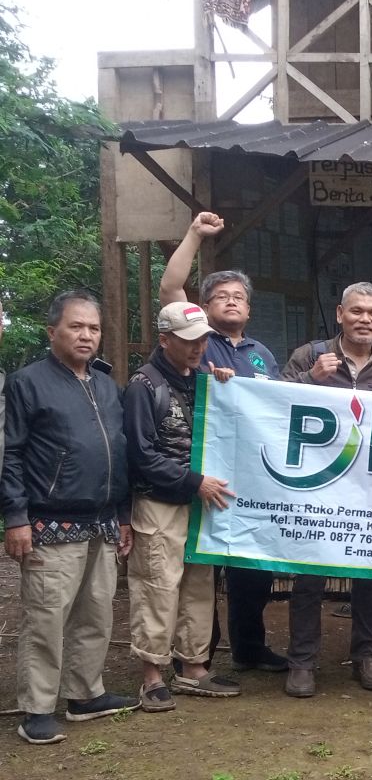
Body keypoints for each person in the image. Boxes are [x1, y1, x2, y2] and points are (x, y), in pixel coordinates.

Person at [1, 291, 139, 745]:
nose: (86, 335)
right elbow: (11, 455)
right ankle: (36, 709)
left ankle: (84, 694)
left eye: (93, 328)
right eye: (76, 327)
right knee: (46, 616)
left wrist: (121, 514)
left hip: (101, 519)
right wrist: (15, 517)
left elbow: (117, 452)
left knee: (96, 612)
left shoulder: (103, 383)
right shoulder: (28, 382)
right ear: (52, 331)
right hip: (47, 522)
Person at [159, 211, 286, 674]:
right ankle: (199, 654)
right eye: (220, 296)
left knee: (252, 569)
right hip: (201, 474)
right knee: (201, 572)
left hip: (251, 478)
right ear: (205, 307)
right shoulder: (198, 343)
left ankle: (250, 648)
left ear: (249, 309)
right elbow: (171, 291)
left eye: (239, 297)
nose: (230, 302)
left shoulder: (261, 354)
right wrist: (194, 235)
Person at [279, 282, 372, 697]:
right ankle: (302, 662)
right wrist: (310, 380)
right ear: (339, 314)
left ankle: (367, 655)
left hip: (370, 489)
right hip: (316, 487)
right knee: (309, 575)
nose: (364, 319)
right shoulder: (308, 356)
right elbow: (274, 406)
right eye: (357, 311)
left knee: (369, 576)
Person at [124, 301, 241, 714]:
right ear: (165, 340)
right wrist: (195, 481)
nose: (198, 347)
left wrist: (226, 383)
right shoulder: (144, 384)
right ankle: (152, 676)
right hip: (161, 502)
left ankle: (193, 666)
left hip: (200, 501)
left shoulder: (202, 378)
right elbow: (140, 453)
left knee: (198, 584)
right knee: (157, 585)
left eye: (204, 339)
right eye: (189, 341)